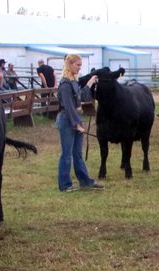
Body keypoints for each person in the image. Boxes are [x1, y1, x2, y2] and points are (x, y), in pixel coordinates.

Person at [55, 53, 105, 193]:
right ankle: (64, 185)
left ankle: (85, 181)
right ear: (69, 65)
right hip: (67, 121)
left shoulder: (74, 81)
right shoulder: (65, 84)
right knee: (67, 154)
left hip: (75, 119)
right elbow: (69, 106)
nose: (79, 68)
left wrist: (89, 83)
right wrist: (77, 124)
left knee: (77, 153)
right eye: (77, 65)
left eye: (80, 65)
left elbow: (81, 96)